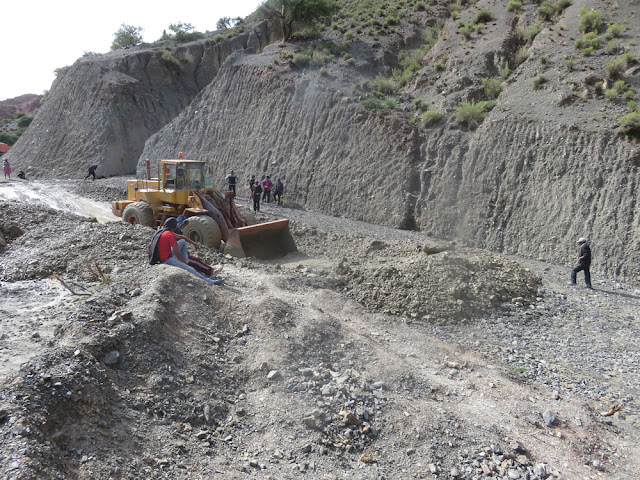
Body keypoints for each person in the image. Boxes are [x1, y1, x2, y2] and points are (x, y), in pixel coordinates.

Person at [155, 217, 222, 285]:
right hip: (167, 259)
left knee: (183, 242)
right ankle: (211, 281)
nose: (183, 227)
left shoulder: (165, 232)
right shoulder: (169, 235)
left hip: (168, 254)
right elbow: (177, 252)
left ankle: (207, 269)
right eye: (183, 225)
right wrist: (185, 263)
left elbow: (182, 238)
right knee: (190, 268)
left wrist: (194, 243)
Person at [174, 215, 224, 280]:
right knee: (194, 261)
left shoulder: (178, 232)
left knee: (194, 261)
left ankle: (209, 268)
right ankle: (211, 271)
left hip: (178, 253)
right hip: (175, 255)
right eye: (183, 225)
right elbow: (176, 248)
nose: (183, 227)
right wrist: (183, 258)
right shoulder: (174, 232)